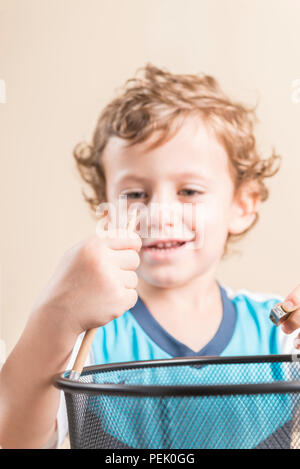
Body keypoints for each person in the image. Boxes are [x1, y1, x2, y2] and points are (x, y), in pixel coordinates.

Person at [1, 64, 300, 449]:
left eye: (189, 191)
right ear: (105, 208)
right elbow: (16, 441)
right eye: (136, 194)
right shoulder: (83, 341)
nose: (158, 213)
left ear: (242, 205)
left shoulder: (280, 335)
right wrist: (55, 315)